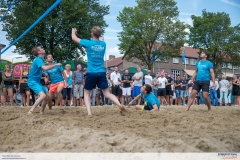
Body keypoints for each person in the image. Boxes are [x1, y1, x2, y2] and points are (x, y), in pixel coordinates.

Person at [71, 26, 127, 115]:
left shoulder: (88, 43)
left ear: (92, 34)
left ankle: (89, 113)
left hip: (91, 72)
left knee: (86, 93)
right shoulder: (103, 44)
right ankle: (119, 105)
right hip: (101, 72)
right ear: (99, 34)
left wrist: (73, 31)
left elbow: (74, 38)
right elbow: (98, 39)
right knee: (107, 93)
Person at [27, 46, 62, 114]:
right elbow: (45, 68)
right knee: (43, 96)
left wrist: (43, 73)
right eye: (41, 48)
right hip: (32, 81)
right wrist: (56, 65)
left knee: (47, 96)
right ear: (39, 52)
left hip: (36, 81)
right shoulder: (38, 59)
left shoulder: (40, 59)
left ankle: (41, 111)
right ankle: (30, 111)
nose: (43, 49)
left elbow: (38, 69)